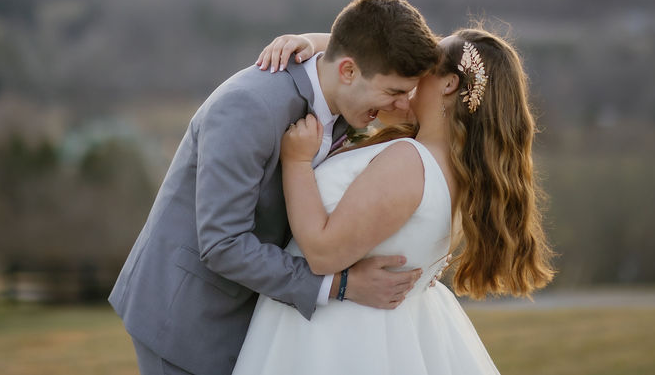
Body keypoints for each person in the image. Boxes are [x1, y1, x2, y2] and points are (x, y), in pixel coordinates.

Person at [109, 0, 442, 375]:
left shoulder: (344, 93)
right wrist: (342, 285)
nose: (401, 106)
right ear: (348, 72)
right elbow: (222, 244)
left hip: (252, 312)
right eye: (395, 93)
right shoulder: (249, 107)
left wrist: (313, 39)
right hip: (187, 317)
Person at [232, 27, 555, 375]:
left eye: (427, 64)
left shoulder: (409, 162)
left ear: (448, 84)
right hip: (388, 330)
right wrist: (316, 43)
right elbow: (376, 59)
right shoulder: (460, 171)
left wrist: (296, 162)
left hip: (336, 340)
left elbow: (323, 252)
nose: (412, 69)